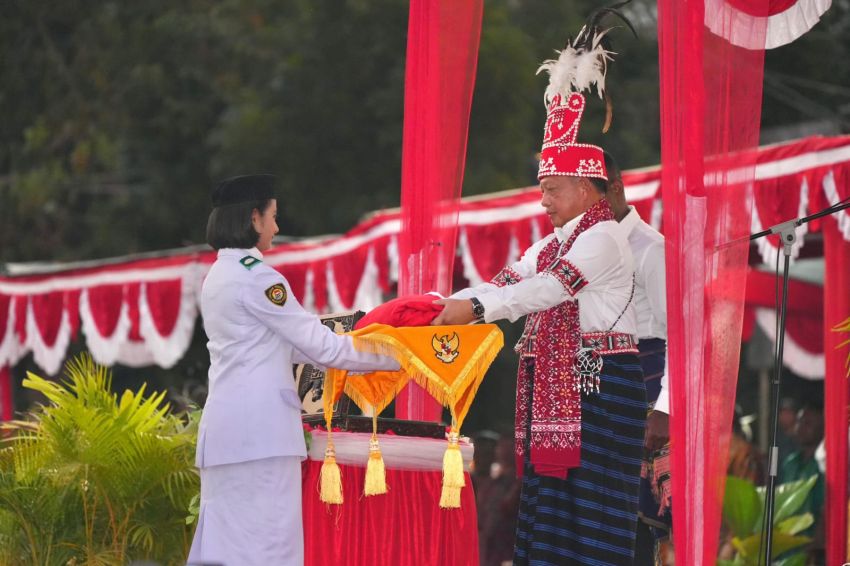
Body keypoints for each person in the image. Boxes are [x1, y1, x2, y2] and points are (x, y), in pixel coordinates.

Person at [432, 23, 645, 562]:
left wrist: (475, 308)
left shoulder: (602, 239)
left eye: (551, 190)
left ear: (586, 187)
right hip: (565, 390)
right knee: (550, 511)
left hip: (601, 387)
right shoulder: (552, 242)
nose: (544, 201)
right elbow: (508, 280)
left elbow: (548, 290)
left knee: (591, 512)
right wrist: (442, 304)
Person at [187, 174, 400, 566]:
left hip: (226, 434)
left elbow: (293, 347)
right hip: (259, 436)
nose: (277, 227)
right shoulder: (258, 277)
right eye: (272, 216)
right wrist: (402, 355)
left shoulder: (217, 275)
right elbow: (322, 346)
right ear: (253, 218)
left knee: (222, 550)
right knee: (270, 549)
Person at [602, 151, 672, 564]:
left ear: (614, 187)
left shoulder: (650, 249)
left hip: (648, 387)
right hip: (611, 392)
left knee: (645, 521)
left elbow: (676, 335)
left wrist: (664, 409)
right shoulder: (590, 248)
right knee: (613, 518)